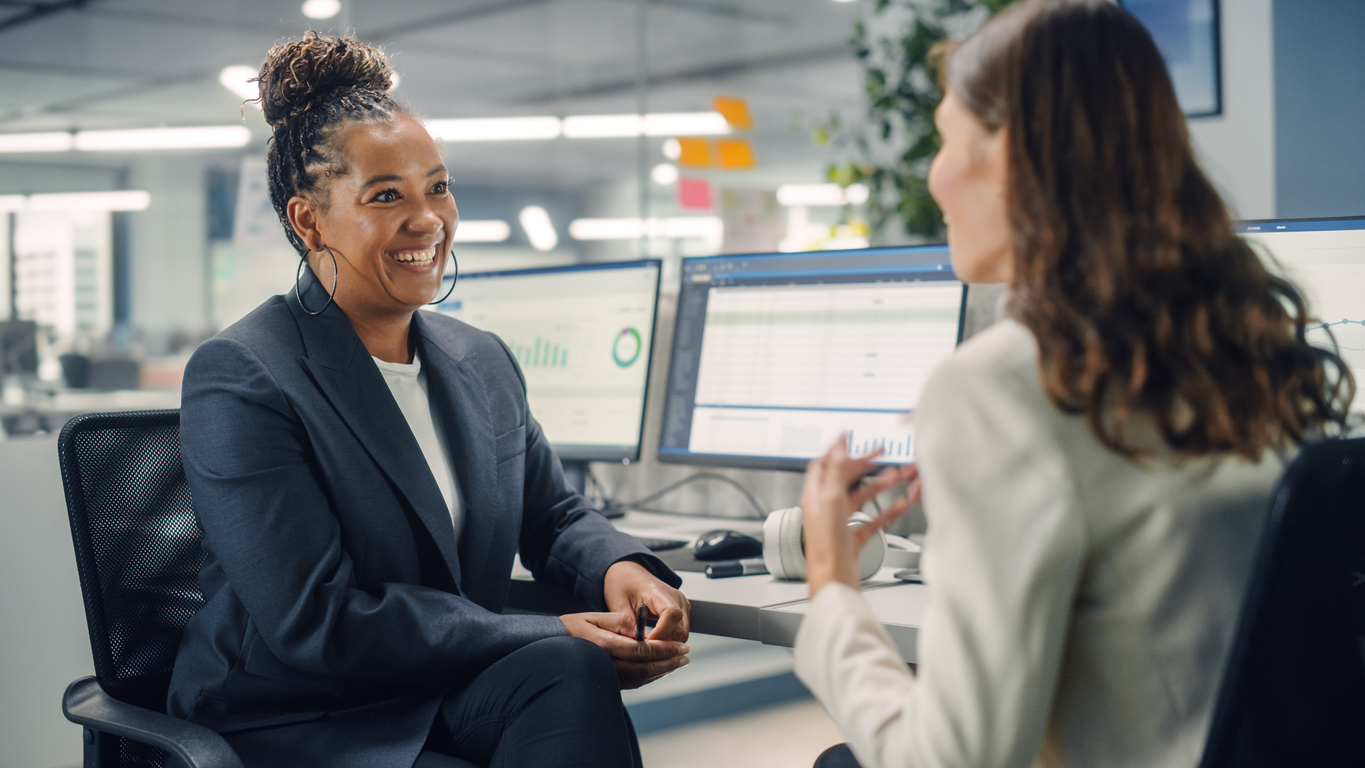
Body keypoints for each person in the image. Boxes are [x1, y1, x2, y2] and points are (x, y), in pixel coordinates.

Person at [792, 2, 1354, 767]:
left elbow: (954, 759)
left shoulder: (999, 386)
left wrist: (829, 583)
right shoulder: (1242, 347)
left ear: (1013, 157)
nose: (933, 175)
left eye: (945, 138)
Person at [167, 32, 691, 768]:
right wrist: (551, 630)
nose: (428, 221)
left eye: (437, 187)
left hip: (433, 686)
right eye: (387, 196)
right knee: (565, 663)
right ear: (307, 220)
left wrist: (619, 570)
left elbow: (552, 514)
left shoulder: (477, 357)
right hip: (297, 714)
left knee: (568, 675)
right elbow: (316, 623)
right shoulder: (244, 374)